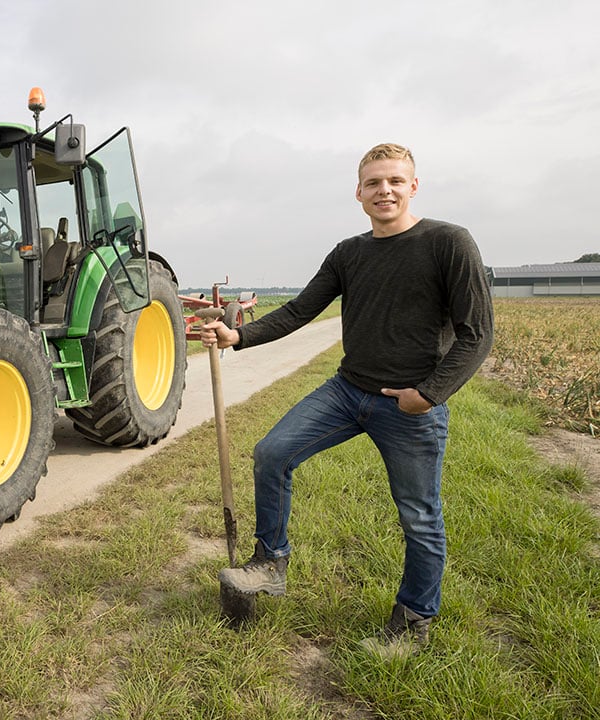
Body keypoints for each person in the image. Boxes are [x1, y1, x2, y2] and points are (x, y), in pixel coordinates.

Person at [200, 143, 493, 657]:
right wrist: (237, 337)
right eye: (374, 183)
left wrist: (427, 395)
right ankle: (270, 563)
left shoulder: (449, 242)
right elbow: (299, 309)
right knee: (273, 452)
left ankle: (414, 621)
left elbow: (477, 334)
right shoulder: (349, 253)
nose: (385, 191)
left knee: (419, 516)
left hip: (410, 405)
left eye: (395, 181)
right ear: (358, 193)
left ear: (413, 186)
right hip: (347, 390)